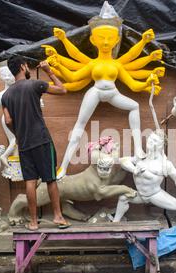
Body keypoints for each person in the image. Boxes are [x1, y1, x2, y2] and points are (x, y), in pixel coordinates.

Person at [48, 15, 163, 179]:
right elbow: (73, 78)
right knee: (79, 126)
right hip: (95, 92)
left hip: (113, 93)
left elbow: (132, 85)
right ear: (93, 40)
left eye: (110, 39)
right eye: (101, 38)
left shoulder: (116, 65)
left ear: (116, 40)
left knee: (134, 106)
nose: (106, 42)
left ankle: (138, 149)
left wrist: (146, 83)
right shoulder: (92, 64)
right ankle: (64, 167)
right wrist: (57, 65)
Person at [2, 56, 70, 230]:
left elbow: (8, 120)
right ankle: (58, 217)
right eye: (27, 66)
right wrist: (49, 71)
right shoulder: (34, 84)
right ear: (23, 66)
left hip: (24, 144)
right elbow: (62, 90)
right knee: (50, 179)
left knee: (30, 181)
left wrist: (18, 134)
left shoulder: (6, 95)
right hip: (41, 140)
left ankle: (33, 222)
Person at [113, 131, 176, 222]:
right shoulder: (141, 158)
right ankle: (115, 223)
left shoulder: (165, 164)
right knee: (123, 198)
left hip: (155, 195)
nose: (150, 141)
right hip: (141, 195)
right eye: (150, 138)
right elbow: (123, 162)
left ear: (160, 146)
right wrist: (134, 170)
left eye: (154, 140)